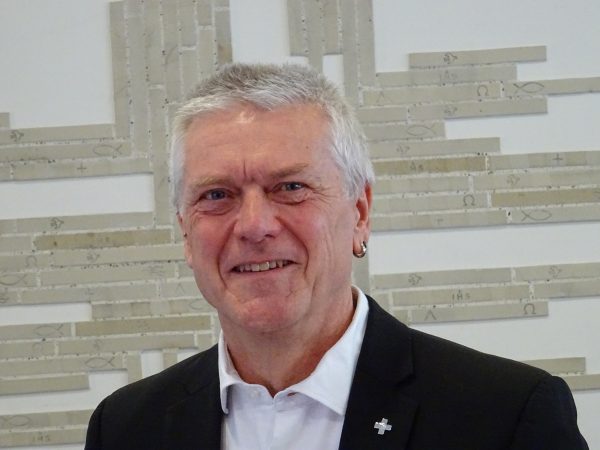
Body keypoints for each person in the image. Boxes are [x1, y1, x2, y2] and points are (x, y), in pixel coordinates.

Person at [85, 63, 588, 450]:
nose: (255, 226)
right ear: (185, 231)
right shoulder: (125, 429)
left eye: (290, 187)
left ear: (360, 213)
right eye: (217, 195)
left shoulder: (506, 416)